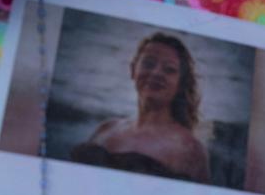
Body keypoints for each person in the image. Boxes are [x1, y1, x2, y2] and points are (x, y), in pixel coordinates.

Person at [70, 32, 210, 183]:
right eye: (149, 63)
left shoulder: (189, 149)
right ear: (132, 70)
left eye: (169, 69)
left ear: (180, 83)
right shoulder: (106, 129)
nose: (156, 73)